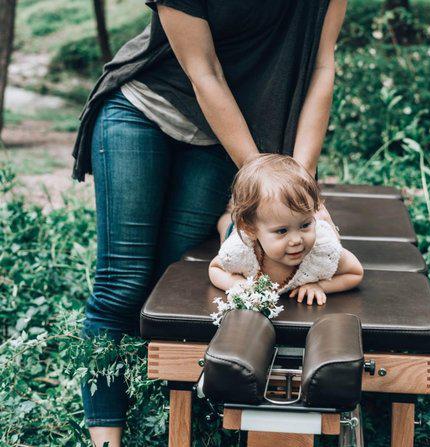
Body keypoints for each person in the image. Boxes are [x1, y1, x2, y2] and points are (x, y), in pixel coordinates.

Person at [71, 0, 348, 445]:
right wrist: (264, 184)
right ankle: (106, 437)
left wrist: (300, 186)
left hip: (219, 135)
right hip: (144, 109)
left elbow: (321, 65)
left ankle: (160, 403)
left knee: (167, 279)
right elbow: (206, 73)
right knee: (123, 285)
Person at [210, 155, 363, 304]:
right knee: (228, 229)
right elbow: (215, 268)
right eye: (282, 231)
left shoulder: (322, 249)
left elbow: (355, 272)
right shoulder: (241, 249)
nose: (296, 240)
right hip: (239, 232)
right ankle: (228, 216)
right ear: (251, 230)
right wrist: (237, 283)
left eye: (305, 225)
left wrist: (320, 286)